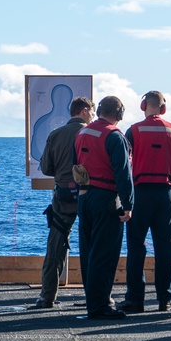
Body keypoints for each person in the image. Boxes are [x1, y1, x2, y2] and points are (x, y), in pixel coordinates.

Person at [118, 91, 171, 313]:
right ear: (163, 108)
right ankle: (165, 299)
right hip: (166, 193)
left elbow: (125, 166)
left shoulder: (133, 130)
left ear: (143, 105)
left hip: (140, 193)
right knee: (166, 247)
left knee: (136, 247)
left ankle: (135, 299)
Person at [75, 96, 134, 320]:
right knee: (105, 252)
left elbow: (76, 164)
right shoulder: (115, 136)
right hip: (106, 197)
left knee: (88, 250)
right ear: (119, 114)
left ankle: (94, 300)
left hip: (85, 195)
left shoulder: (82, 132)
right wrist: (128, 205)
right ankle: (100, 306)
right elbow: (123, 173)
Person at [34, 96, 94, 309]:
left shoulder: (55, 134)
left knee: (56, 244)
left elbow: (46, 168)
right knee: (93, 245)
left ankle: (47, 295)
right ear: (85, 111)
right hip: (89, 194)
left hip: (63, 196)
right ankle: (95, 295)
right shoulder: (93, 134)